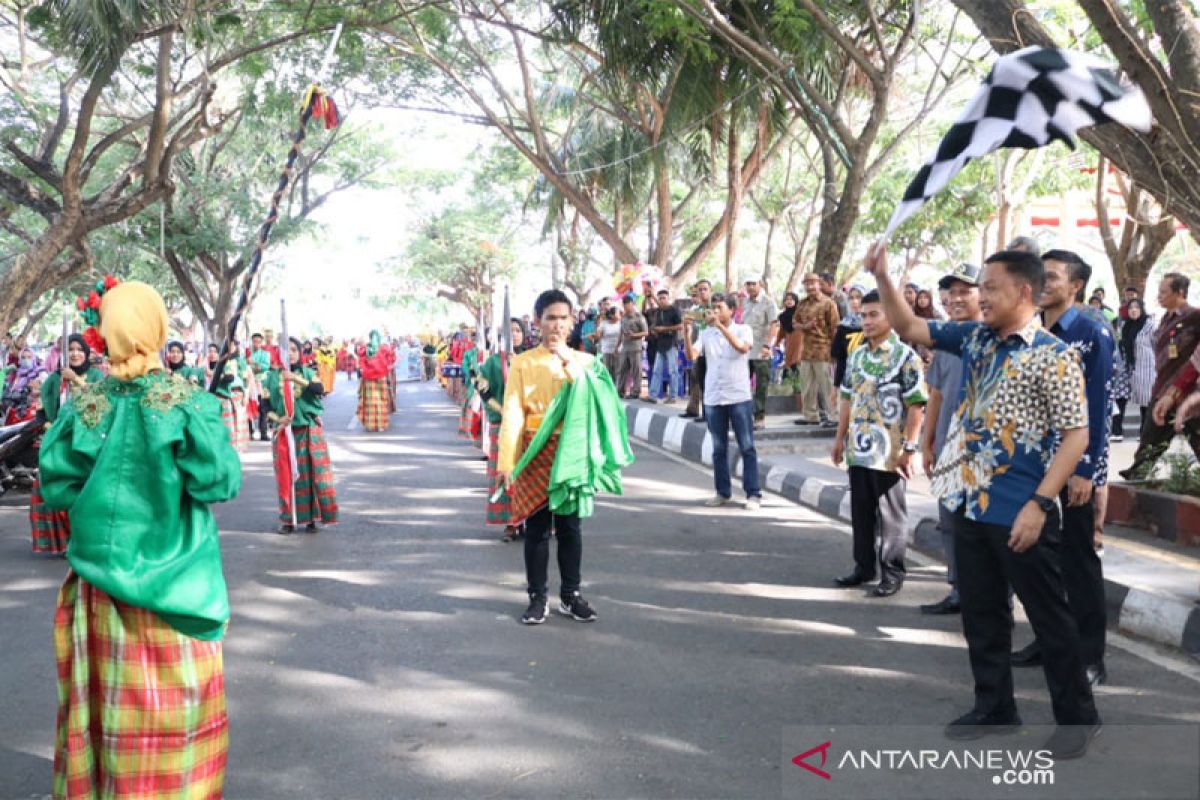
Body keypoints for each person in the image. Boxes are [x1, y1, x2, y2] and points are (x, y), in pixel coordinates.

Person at [865, 244, 1100, 759]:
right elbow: (911, 328)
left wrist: (1039, 504)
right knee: (982, 613)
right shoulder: (974, 338)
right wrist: (883, 276)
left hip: (1021, 510)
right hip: (966, 500)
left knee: (1049, 616)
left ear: (1023, 291)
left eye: (990, 288)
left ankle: (1077, 716)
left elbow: (1076, 437)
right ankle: (995, 707)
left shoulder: (1054, 355)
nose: (979, 296)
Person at [39, 281, 241, 797]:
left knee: (106, 708)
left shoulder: (84, 406)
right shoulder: (186, 403)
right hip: (176, 586)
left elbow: (57, 487)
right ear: (156, 328)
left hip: (99, 589)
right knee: (173, 714)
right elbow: (218, 481)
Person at [1008, 250, 1113, 687]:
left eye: (1052, 276)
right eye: (1040, 275)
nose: (1043, 282)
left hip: (1074, 468)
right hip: (1034, 466)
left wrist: (1086, 470)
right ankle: (1048, 639)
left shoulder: (1092, 332)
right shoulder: (1031, 330)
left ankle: (1091, 656)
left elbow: (1098, 405)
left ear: (1075, 286)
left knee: (1078, 561)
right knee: (1038, 561)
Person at [496, 290, 632, 625]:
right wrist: (506, 462)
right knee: (537, 529)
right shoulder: (523, 363)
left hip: (573, 453)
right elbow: (512, 412)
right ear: (538, 321)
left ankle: (570, 596)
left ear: (573, 322)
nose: (557, 325)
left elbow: (605, 402)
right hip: (535, 451)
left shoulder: (587, 363)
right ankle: (537, 597)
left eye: (562, 318)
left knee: (571, 528)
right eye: (550, 318)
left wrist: (567, 362)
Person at [831, 290, 926, 597]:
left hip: (890, 453)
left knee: (891, 516)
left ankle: (893, 573)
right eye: (864, 315)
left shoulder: (906, 357)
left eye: (874, 315)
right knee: (861, 513)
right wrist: (839, 438)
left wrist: (910, 448)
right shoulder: (857, 355)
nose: (867, 321)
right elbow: (847, 398)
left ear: (892, 318)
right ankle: (863, 567)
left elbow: (916, 405)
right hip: (858, 449)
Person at [919, 264, 981, 616]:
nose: (956, 299)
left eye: (964, 292)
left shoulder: (992, 337)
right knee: (951, 522)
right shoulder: (946, 340)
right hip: (947, 448)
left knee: (984, 527)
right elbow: (936, 395)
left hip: (983, 452)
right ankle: (958, 588)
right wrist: (927, 444)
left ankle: (991, 595)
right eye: (951, 293)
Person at [682, 293, 763, 511]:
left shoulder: (742, 329)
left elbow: (742, 348)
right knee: (718, 448)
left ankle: (753, 493)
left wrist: (720, 327)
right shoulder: (706, 334)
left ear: (731, 310)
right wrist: (686, 334)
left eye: (719, 308)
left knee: (746, 446)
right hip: (714, 397)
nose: (715, 312)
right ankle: (722, 491)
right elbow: (692, 356)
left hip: (738, 396)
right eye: (713, 308)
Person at [31, 334, 105, 556]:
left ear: (86, 353)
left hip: (89, 442)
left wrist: (76, 380)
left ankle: (86, 539)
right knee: (46, 485)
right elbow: (42, 409)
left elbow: (101, 403)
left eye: (78, 349)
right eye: (70, 349)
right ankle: (61, 541)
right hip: (60, 441)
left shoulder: (95, 375)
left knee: (85, 491)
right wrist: (48, 426)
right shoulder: (54, 379)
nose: (74, 353)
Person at [1122, 273, 1200, 479]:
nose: (1159, 296)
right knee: (1150, 438)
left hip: (1190, 391)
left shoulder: (1194, 316)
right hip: (1162, 387)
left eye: (1164, 292)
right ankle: (1137, 476)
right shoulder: (1164, 319)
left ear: (1180, 293)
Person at [267, 337, 339, 534]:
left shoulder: (308, 372)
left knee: (310, 477)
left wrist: (295, 378)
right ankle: (288, 521)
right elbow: (265, 405)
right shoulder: (272, 376)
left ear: (300, 352)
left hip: (307, 430)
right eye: (285, 350)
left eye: (293, 349)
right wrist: (277, 418)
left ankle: (311, 519)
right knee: (286, 477)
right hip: (285, 433)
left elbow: (319, 390)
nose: (289, 353)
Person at [477, 318, 528, 542]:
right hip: (502, 424)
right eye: (510, 331)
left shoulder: (529, 359)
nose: (514, 334)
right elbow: (481, 387)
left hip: (528, 425)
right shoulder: (493, 363)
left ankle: (530, 519)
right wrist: (501, 409)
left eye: (518, 330)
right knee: (504, 473)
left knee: (528, 474)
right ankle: (510, 523)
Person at [793, 273, 840, 426]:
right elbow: (794, 323)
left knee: (827, 386)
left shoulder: (828, 303)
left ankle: (834, 416)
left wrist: (835, 352)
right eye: (807, 283)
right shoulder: (802, 303)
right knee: (807, 386)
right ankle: (810, 416)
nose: (810, 286)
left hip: (824, 351)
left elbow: (835, 329)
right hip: (806, 351)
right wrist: (804, 327)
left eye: (813, 283)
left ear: (819, 284)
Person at [740, 279, 779, 429]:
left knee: (761, 385)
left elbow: (774, 324)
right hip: (745, 350)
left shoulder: (768, 302)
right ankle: (743, 415)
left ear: (760, 285)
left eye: (753, 284)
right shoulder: (745, 302)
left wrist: (767, 345)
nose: (750, 287)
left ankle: (759, 417)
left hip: (761, 350)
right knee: (742, 384)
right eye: (747, 284)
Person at [206, 342, 248, 452]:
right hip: (210, 399)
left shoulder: (236, 361)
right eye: (210, 351)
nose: (212, 354)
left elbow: (244, 378)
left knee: (235, 423)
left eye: (214, 351)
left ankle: (234, 447)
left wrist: (246, 395)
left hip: (231, 395)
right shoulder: (204, 365)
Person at [681, 280, 713, 421]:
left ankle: (710, 413)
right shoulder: (697, 310)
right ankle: (697, 410)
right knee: (698, 378)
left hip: (715, 349)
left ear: (710, 290)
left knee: (710, 383)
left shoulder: (715, 306)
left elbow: (710, 318)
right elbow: (687, 319)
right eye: (699, 289)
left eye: (705, 289)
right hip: (700, 348)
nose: (702, 292)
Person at [647, 289, 683, 402]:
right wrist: (655, 330)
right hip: (660, 344)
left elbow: (680, 326)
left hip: (671, 344)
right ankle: (652, 396)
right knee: (656, 371)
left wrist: (664, 329)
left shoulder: (674, 310)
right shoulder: (658, 311)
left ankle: (673, 396)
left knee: (673, 371)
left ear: (668, 298)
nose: (662, 300)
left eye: (664, 298)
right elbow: (656, 325)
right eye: (660, 298)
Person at [1127, 299, 1158, 425]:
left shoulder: (1150, 325)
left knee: (1149, 402)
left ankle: (1147, 431)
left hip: (1149, 369)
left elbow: (1157, 345)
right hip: (1135, 369)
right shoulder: (1127, 327)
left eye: (1136, 307)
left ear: (1142, 309)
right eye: (1130, 308)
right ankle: (1144, 431)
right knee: (1142, 402)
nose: (1133, 310)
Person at [830, 285, 865, 393]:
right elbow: (841, 359)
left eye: (859, 297)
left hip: (869, 381)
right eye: (851, 298)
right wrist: (836, 386)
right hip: (848, 382)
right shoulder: (844, 326)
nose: (854, 302)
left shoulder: (874, 325)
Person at [357, 330, 392, 432]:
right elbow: (390, 360)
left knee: (370, 402)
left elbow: (360, 360)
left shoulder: (365, 349)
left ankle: (370, 424)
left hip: (368, 378)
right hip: (381, 377)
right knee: (381, 400)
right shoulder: (384, 348)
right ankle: (381, 424)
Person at [615, 294, 648, 399]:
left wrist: (634, 335)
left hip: (636, 347)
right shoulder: (623, 318)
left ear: (632, 304)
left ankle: (635, 392)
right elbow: (621, 332)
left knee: (636, 371)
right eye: (624, 305)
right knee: (621, 370)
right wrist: (617, 346)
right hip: (625, 347)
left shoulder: (639, 317)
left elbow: (646, 332)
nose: (626, 307)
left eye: (627, 305)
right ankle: (619, 391)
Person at [775, 292, 804, 391]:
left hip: (801, 343)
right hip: (789, 344)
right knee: (789, 363)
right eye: (787, 299)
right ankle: (788, 391)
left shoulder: (801, 313)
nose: (789, 301)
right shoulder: (783, 316)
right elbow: (782, 331)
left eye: (791, 299)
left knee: (797, 363)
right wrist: (777, 342)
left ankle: (798, 391)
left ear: (796, 301)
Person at [594, 305, 622, 377]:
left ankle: (616, 387)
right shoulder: (604, 324)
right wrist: (598, 334)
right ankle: (609, 387)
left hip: (618, 351)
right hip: (607, 351)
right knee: (608, 371)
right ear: (612, 315)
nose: (620, 315)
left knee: (618, 371)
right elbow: (598, 335)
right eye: (618, 313)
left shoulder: (621, 323)